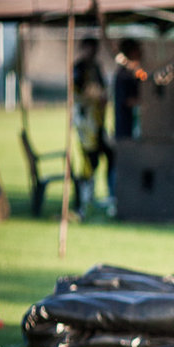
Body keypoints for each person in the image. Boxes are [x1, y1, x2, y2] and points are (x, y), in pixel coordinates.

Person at [73, 37, 115, 216]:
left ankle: (109, 195)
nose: (92, 53)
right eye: (89, 49)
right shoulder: (79, 67)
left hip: (98, 123)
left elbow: (103, 91)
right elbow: (78, 93)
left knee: (109, 155)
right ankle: (83, 199)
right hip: (85, 125)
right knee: (89, 162)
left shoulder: (96, 67)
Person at [113, 39, 144, 140]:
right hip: (126, 129)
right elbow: (127, 100)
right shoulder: (124, 75)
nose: (141, 54)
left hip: (130, 128)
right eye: (137, 51)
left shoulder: (134, 73)